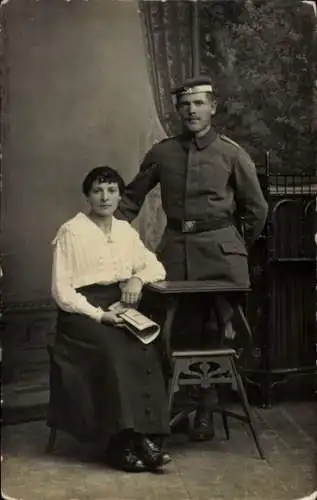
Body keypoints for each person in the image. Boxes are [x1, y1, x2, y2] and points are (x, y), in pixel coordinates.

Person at [115, 75, 268, 441]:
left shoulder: (232, 153)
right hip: (175, 255)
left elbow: (257, 209)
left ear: (213, 107)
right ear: (177, 110)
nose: (191, 110)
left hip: (220, 258)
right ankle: (179, 406)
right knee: (174, 330)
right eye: (185, 105)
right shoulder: (163, 152)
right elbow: (131, 201)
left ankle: (205, 411)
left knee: (215, 331)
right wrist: (102, 233)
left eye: (199, 103)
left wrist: (231, 244)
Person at [51, 166, 172, 473]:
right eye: (97, 190)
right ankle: (120, 445)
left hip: (118, 304)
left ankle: (144, 439)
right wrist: (99, 316)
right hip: (80, 313)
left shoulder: (124, 231)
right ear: (87, 195)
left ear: (120, 195)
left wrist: (137, 280)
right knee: (115, 352)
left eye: (112, 190)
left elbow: (156, 267)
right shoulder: (72, 231)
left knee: (146, 348)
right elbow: (62, 290)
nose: (105, 197)